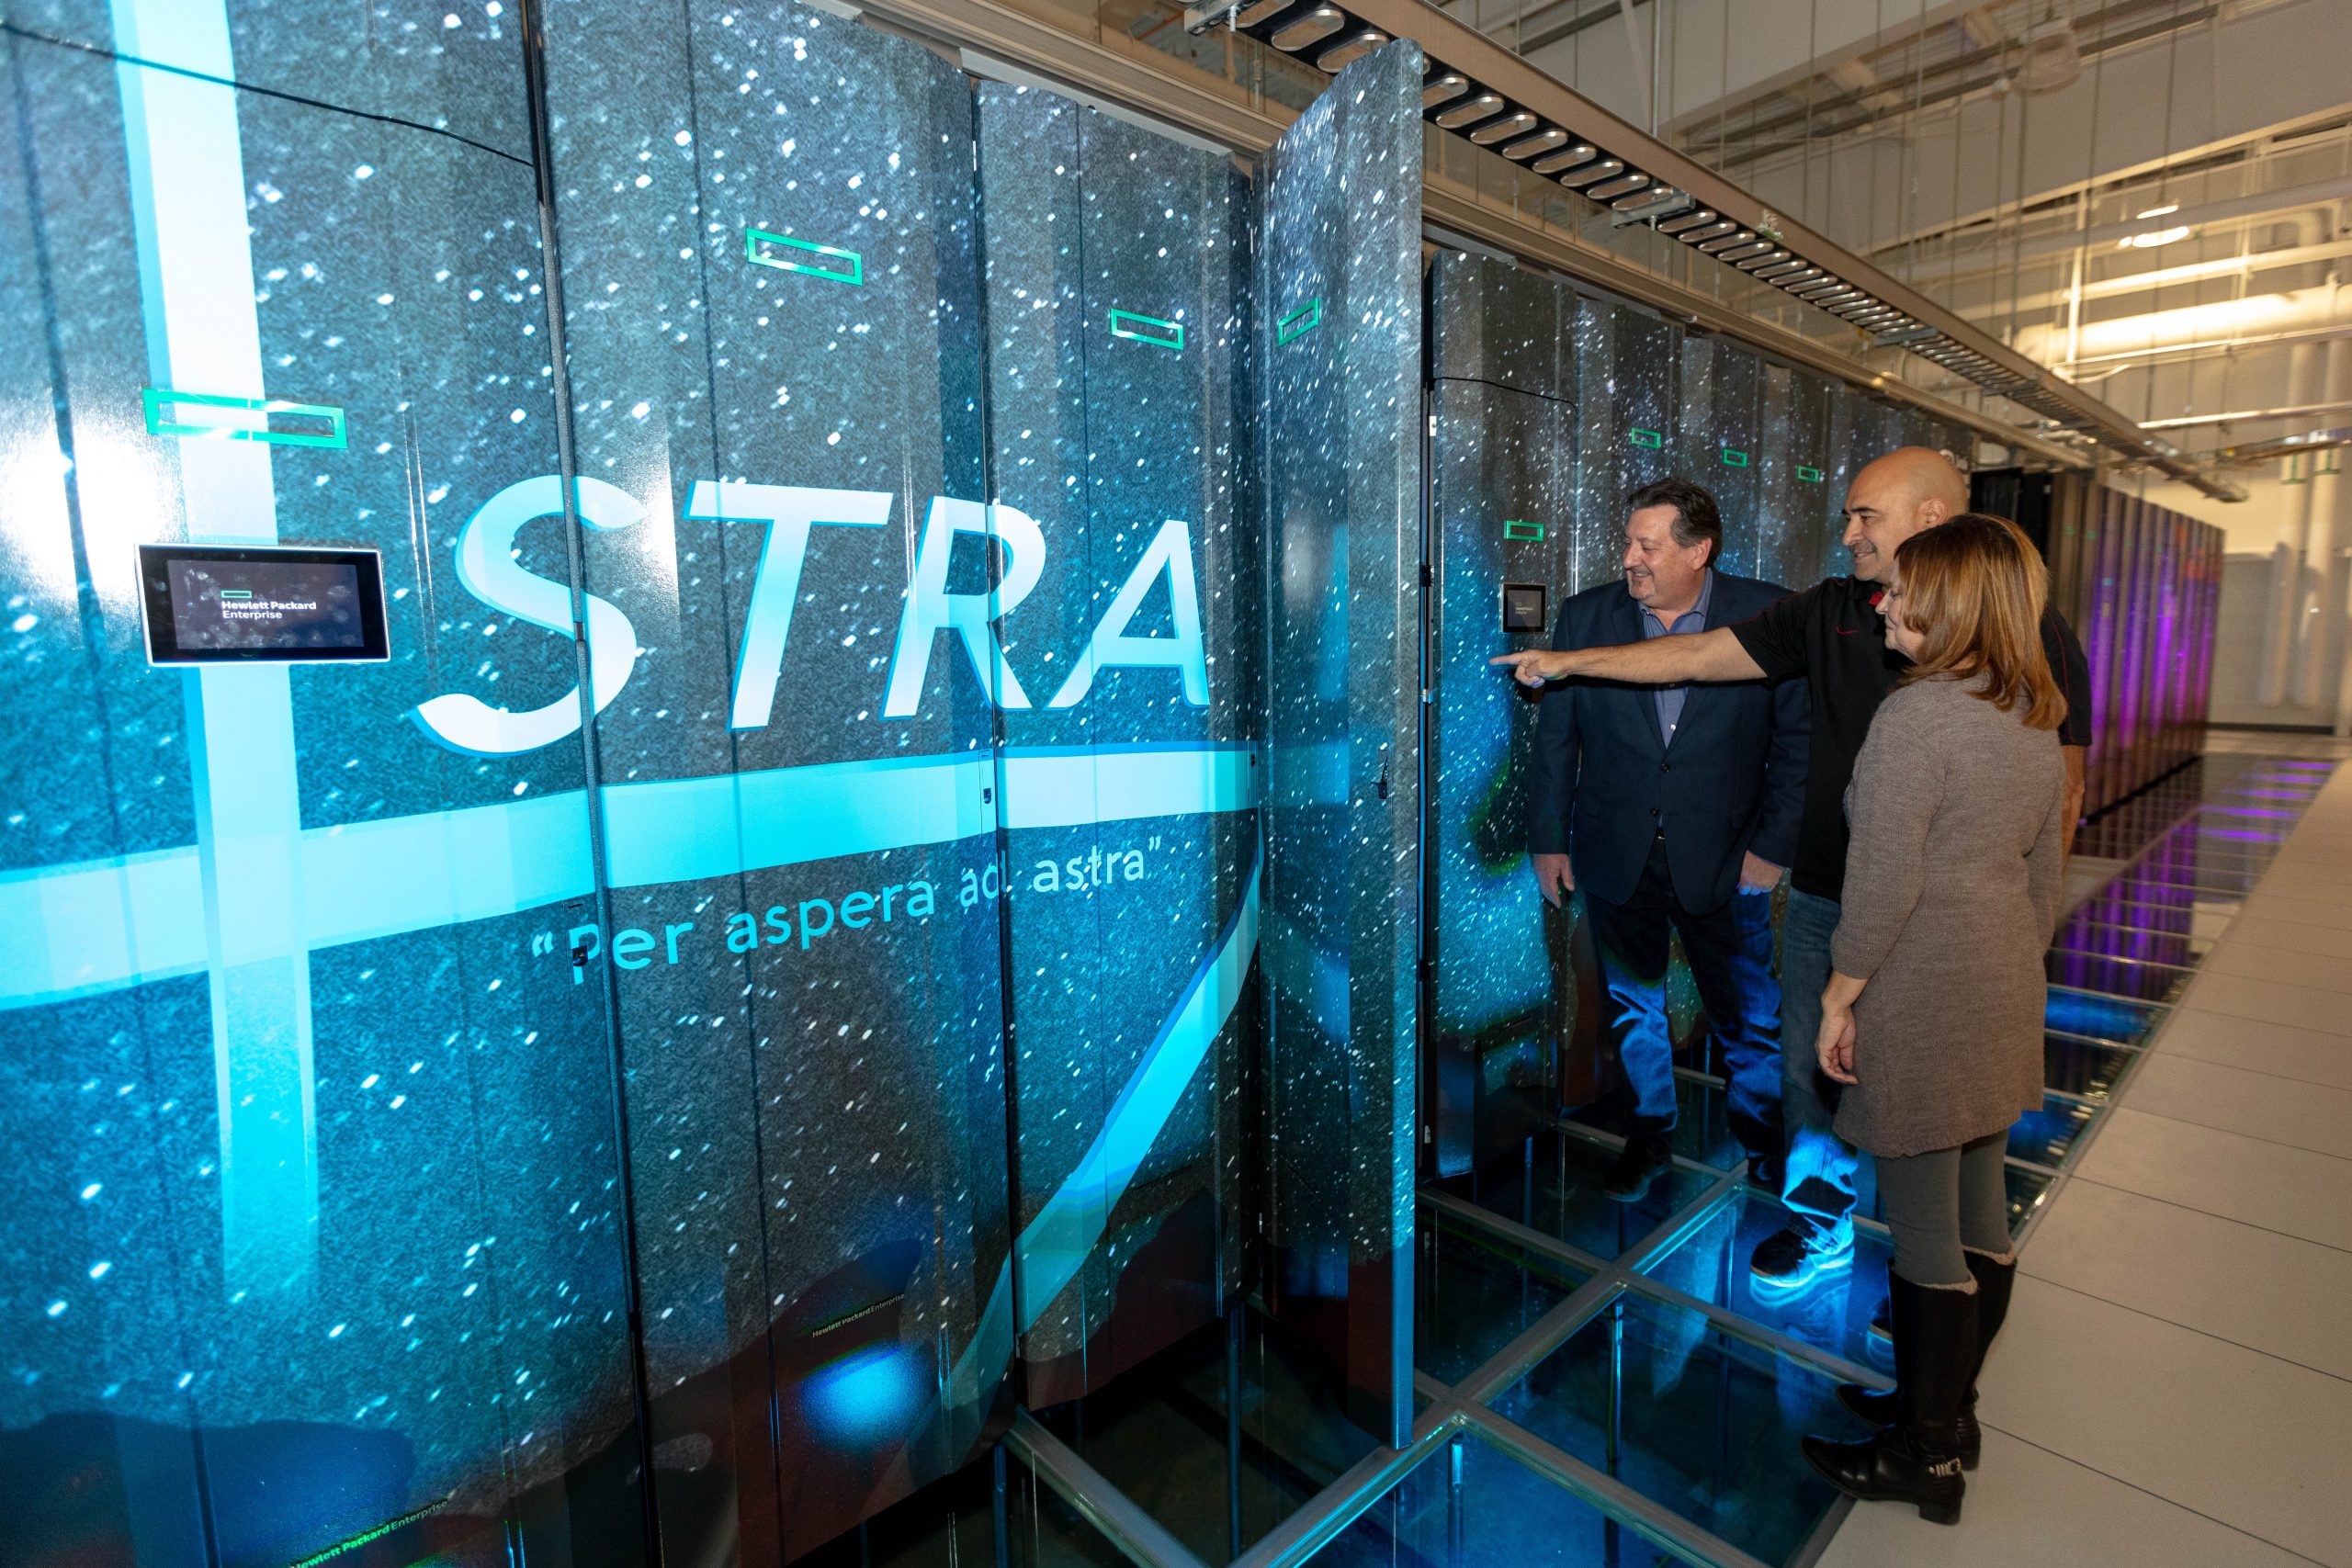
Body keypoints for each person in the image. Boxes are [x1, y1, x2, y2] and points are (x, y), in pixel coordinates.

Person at [1493, 447, 2092, 1295]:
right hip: (1827, 892)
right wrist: (1567, 661)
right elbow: (1697, 659)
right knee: (1821, 1077)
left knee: (1939, 1116)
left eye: (1864, 516)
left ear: (1928, 521)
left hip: (1952, 920)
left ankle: (1935, 1316)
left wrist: (2026, 943)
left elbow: (2059, 796)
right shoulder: (1829, 612)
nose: (1846, 533)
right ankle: (1832, 1233)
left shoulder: (2025, 633)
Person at [1796, 513, 2069, 1525]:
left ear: (1948, 602)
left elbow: (1881, 884)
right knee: (1979, 1212)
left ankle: (1922, 1455)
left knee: (1921, 1235)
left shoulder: (1916, 720)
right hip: (2001, 979)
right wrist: (2010, 964)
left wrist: (1842, 991)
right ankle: (1950, 1410)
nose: (1882, 601)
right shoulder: (2032, 711)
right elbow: (2043, 871)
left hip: (1920, 987)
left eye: (1901, 586)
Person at [1526, 479, 1808, 1200]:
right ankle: (1649, 1133)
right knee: (1633, 1004)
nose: (1629, 558)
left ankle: (1767, 1153)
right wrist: (1546, 839)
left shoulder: (1768, 615)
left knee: (1749, 1018)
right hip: (1616, 854)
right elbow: (1557, 741)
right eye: (1627, 541)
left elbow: (1798, 745)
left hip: (1728, 862)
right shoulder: (1587, 616)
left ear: (1698, 550)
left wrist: (1772, 850)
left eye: (1646, 545)